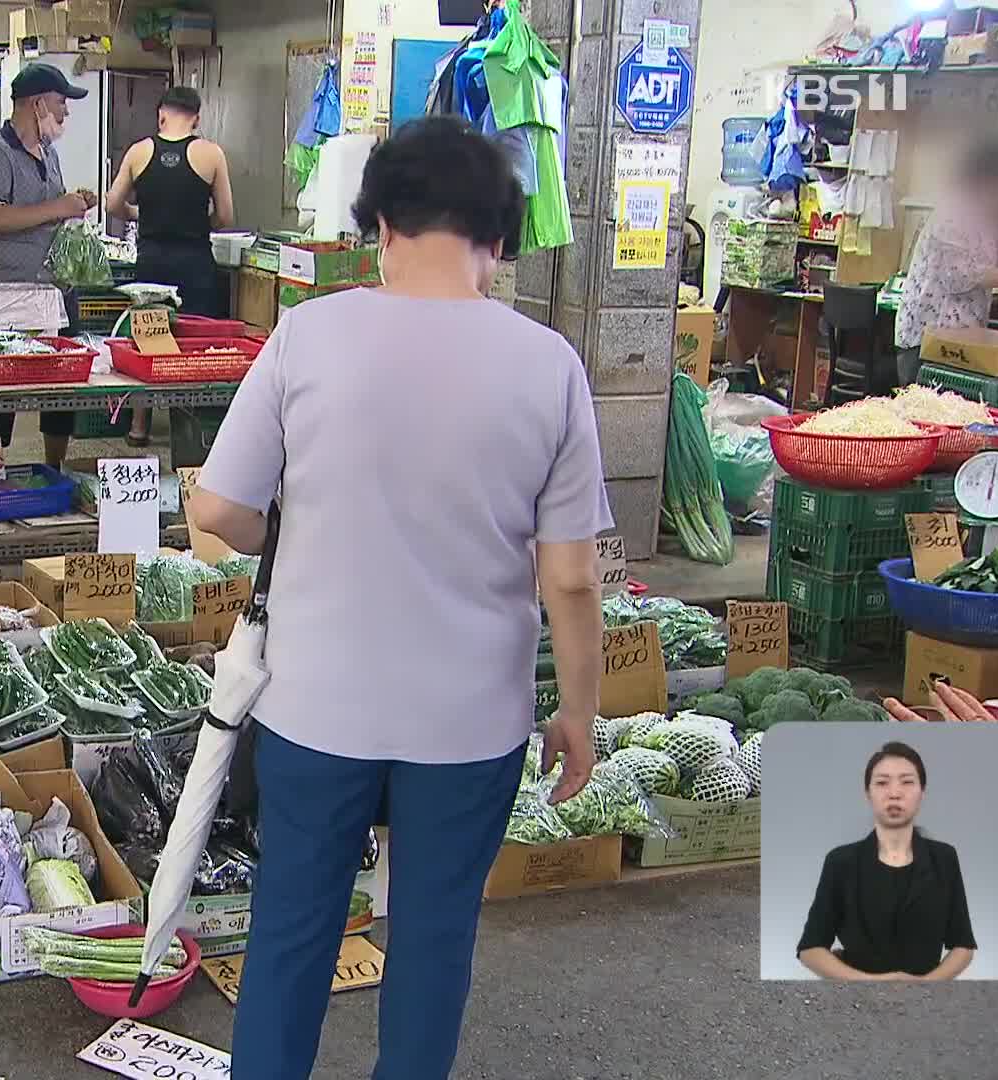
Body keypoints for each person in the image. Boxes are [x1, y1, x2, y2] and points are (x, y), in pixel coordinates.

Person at [189, 116, 612, 1080]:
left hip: (315, 704)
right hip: (470, 722)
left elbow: (218, 505)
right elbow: (572, 576)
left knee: (291, 932)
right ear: (498, 240)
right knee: (431, 940)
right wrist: (579, 711)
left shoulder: (310, 333)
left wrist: (301, 539)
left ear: (378, 226)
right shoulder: (549, 365)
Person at [0, 62, 98, 468]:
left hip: (56, 292)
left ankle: (54, 470)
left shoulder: (50, 153)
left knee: (61, 390)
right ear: (37, 103)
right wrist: (57, 206)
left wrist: (74, 204)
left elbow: (47, 209)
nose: (66, 114)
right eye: (61, 104)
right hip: (10, 295)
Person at [103, 85, 235, 444]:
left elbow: (112, 203)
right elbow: (225, 215)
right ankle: (187, 429)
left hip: (152, 262)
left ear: (161, 114)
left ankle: (138, 426)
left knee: (149, 338)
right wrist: (196, 223)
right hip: (195, 262)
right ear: (196, 118)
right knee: (193, 342)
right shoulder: (211, 153)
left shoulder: (139, 151)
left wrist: (137, 213)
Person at [893, 133, 998, 387]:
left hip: (958, 342)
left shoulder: (982, 215)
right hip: (928, 343)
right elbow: (959, 276)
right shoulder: (955, 211)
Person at [795, 741, 976, 981]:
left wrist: (926, 984)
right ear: (868, 793)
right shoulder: (841, 862)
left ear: (922, 792)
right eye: (882, 783)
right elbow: (811, 949)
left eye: (907, 782)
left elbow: (963, 945)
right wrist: (872, 983)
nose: (894, 793)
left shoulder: (944, 859)